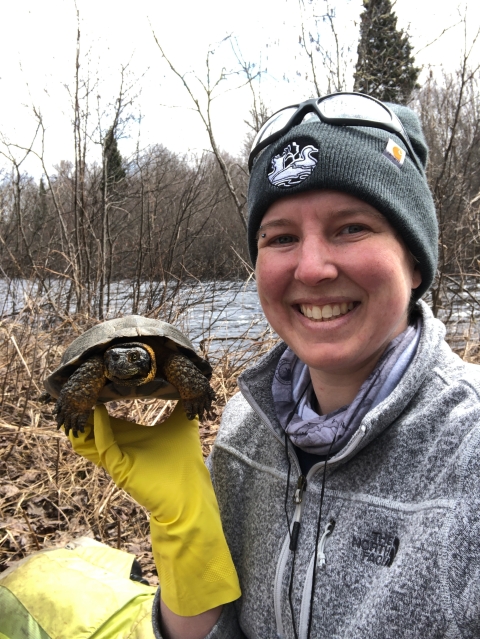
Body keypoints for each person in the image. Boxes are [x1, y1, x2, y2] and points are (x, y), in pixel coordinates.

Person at [2, 93, 480, 639]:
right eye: (281, 237)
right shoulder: (244, 431)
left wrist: (187, 386)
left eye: (351, 228)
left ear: (415, 259)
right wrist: (183, 524)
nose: (313, 266)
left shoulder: (467, 457)